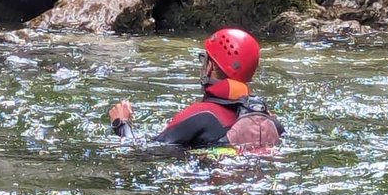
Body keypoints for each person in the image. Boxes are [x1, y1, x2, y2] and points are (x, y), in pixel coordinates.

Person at [108, 28, 282, 152]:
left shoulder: (200, 116)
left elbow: (141, 153)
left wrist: (121, 125)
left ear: (211, 67)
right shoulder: (269, 120)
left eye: (205, 59)